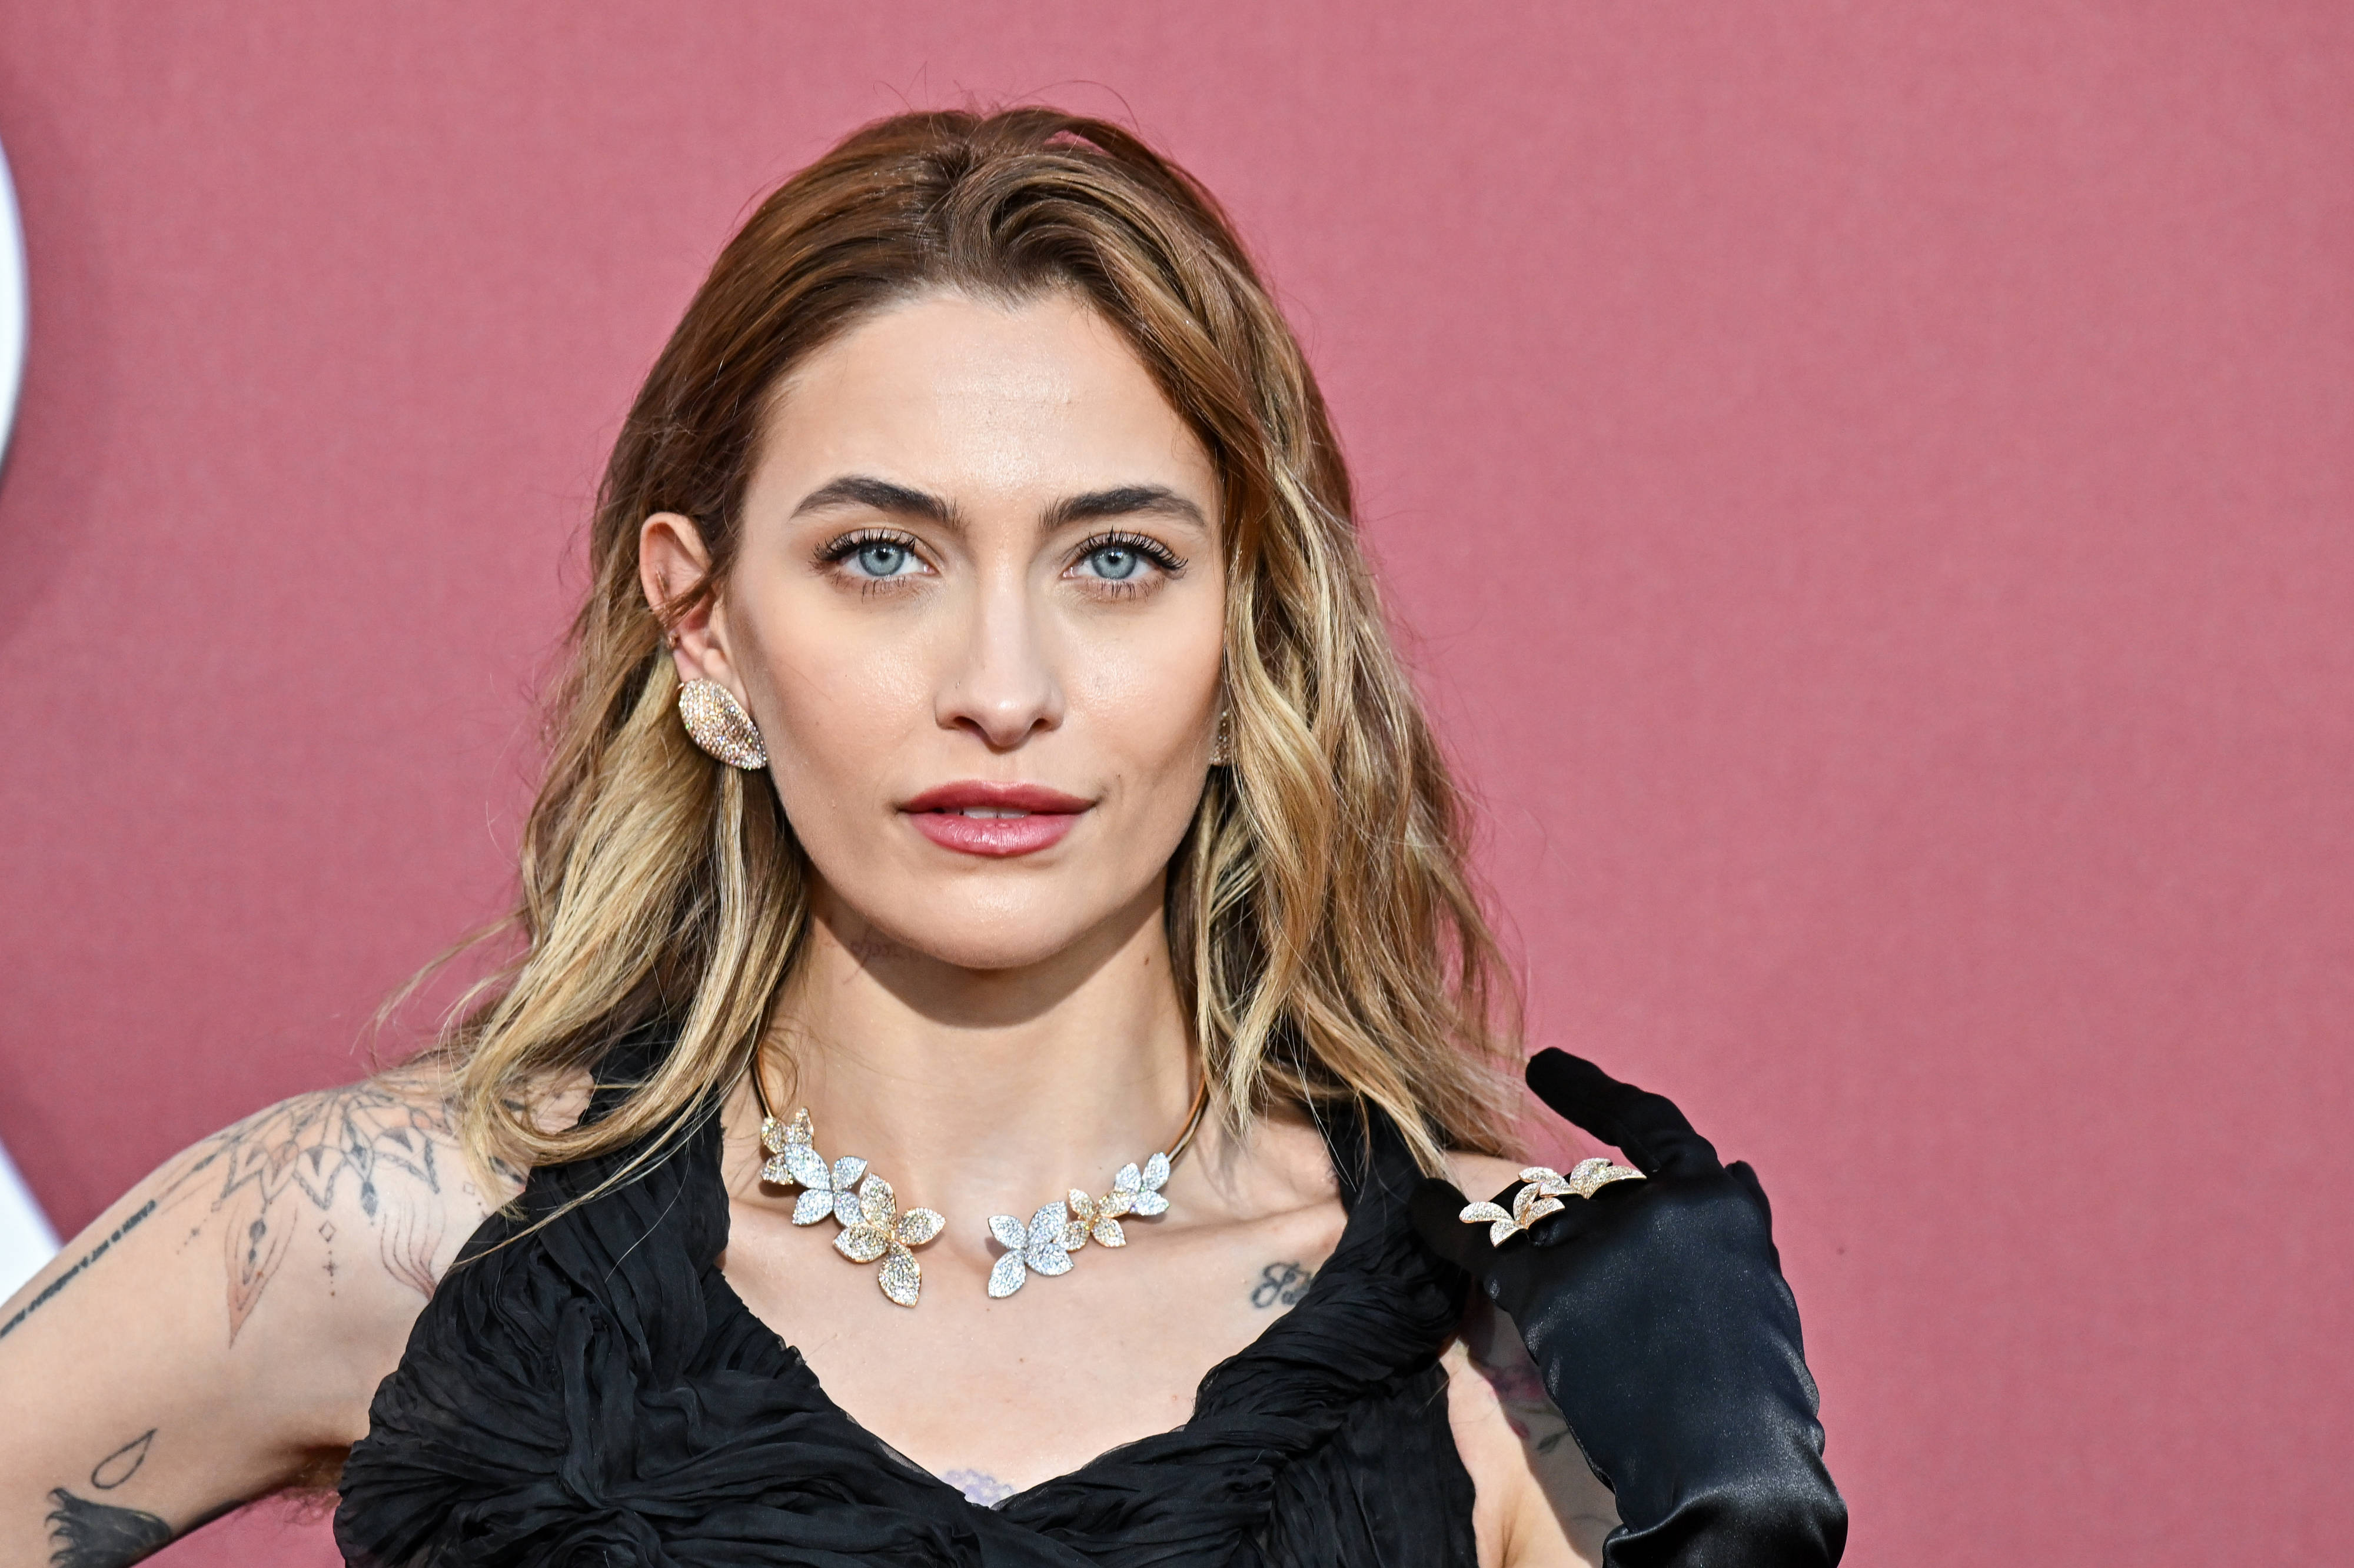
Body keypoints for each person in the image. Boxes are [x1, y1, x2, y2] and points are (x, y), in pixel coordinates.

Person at [0, 110, 1842, 1568]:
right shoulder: (384, 1242)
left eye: (1116, 560)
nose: (1002, 683)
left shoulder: (1501, 1348)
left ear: (1247, 637)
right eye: (882, 555)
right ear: (704, 628)